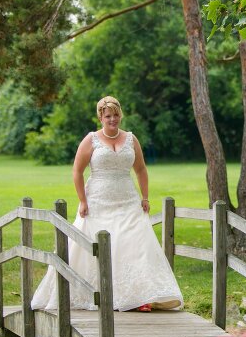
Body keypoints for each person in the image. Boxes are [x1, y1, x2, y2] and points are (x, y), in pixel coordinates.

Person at [32, 96, 184, 312]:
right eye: (108, 116)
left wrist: (145, 197)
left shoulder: (131, 139)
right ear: (101, 117)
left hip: (128, 200)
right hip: (98, 201)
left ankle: (139, 297)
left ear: (121, 115)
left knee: (134, 244)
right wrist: (82, 200)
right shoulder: (91, 139)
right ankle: (96, 293)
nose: (113, 119)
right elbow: (77, 171)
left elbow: (140, 169)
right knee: (95, 245)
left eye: (116, 115)